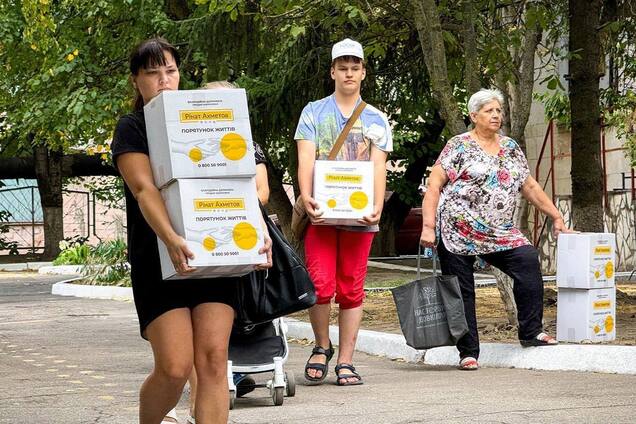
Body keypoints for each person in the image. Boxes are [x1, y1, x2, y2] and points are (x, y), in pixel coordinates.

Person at [111, 37, 271, 424]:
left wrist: (256, 233)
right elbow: (144, 189)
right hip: (160, 259)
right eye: (152, 73)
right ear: (136, 81)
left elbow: (237, 179)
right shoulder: (132, 128)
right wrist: (171, 239)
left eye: (170, 71)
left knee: (215, 361)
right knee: (175, 367)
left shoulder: (206, 119)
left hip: (214, 254)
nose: (164, 80)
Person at [419, 88, 571, 371]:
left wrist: (556, 216)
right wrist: (429, 226)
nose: (496, 115)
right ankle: (468, 352)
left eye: (499, 111)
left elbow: (530, 187)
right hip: (457, 229)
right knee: (462, 290)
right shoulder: (458, 145)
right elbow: (435, 185)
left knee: (527, 260)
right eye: (489, 111)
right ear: (474, 115)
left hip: (500, 231)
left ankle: (530, 331)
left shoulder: (511, 148)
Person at [295, 38, 392, 386]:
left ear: (363, 72)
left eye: (355, 67)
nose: (349, 73)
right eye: (343, 67)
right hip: (321, 214)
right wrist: (306, 197)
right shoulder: (313, 112)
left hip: (360, 217)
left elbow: (378, 166)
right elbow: (305, 158)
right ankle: (322, 346)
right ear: (333, 71)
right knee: (320, 285)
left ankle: (347, 361)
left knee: (352, 288)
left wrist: (377, 206)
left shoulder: (377, 118)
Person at [182, 80, 270, 424]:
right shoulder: (190, 140)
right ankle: (195, 403)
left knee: (218, 338)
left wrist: (226, 204)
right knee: (189, 332)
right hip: (193, 241)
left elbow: (261, 192)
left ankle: (217, 391)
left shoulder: (247, 144)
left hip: (234, 240)